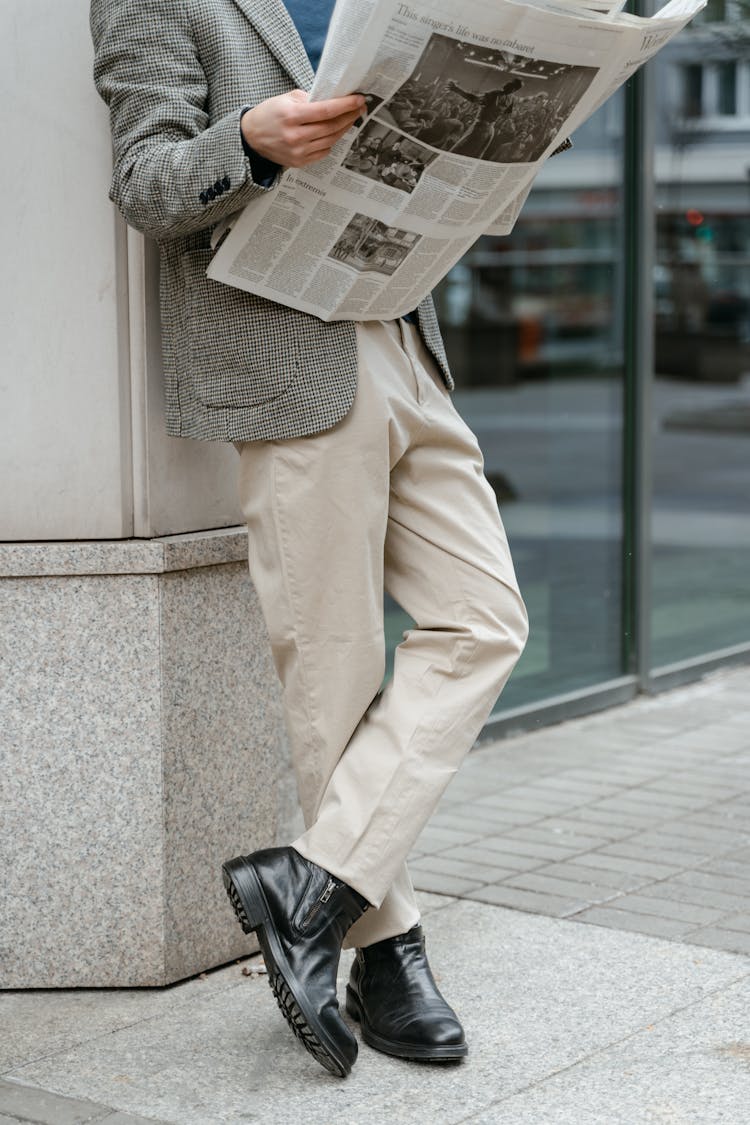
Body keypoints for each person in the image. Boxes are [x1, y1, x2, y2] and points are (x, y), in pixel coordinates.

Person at [91, 0, 528, 1079]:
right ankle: (388, 954)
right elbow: (146, 184)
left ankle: (312, 884)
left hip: (401, 331)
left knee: (483, 620)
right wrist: (245, 141)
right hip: (282, 359)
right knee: (335, 672)